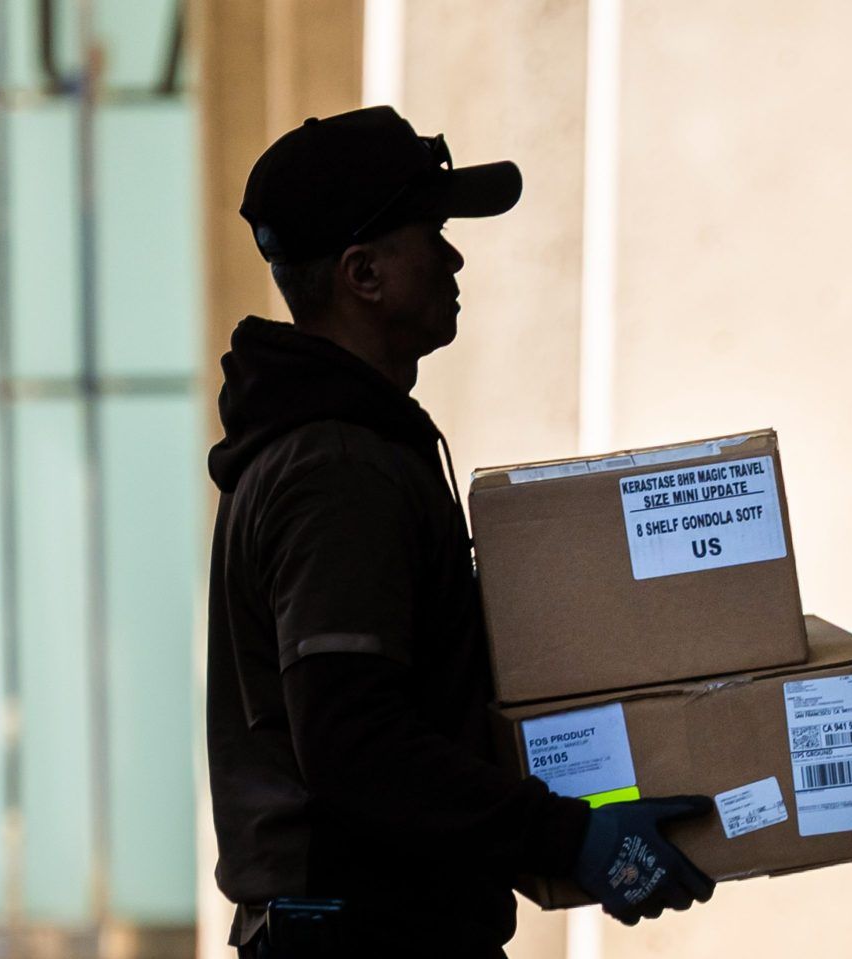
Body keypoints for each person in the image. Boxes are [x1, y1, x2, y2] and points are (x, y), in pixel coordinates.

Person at [205, 106, 716, 958]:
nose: (455, 256)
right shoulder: (336, 468)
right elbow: (354, 744)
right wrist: (570, 838)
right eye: (431, 233)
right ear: (363, 274)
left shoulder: (340, 446)